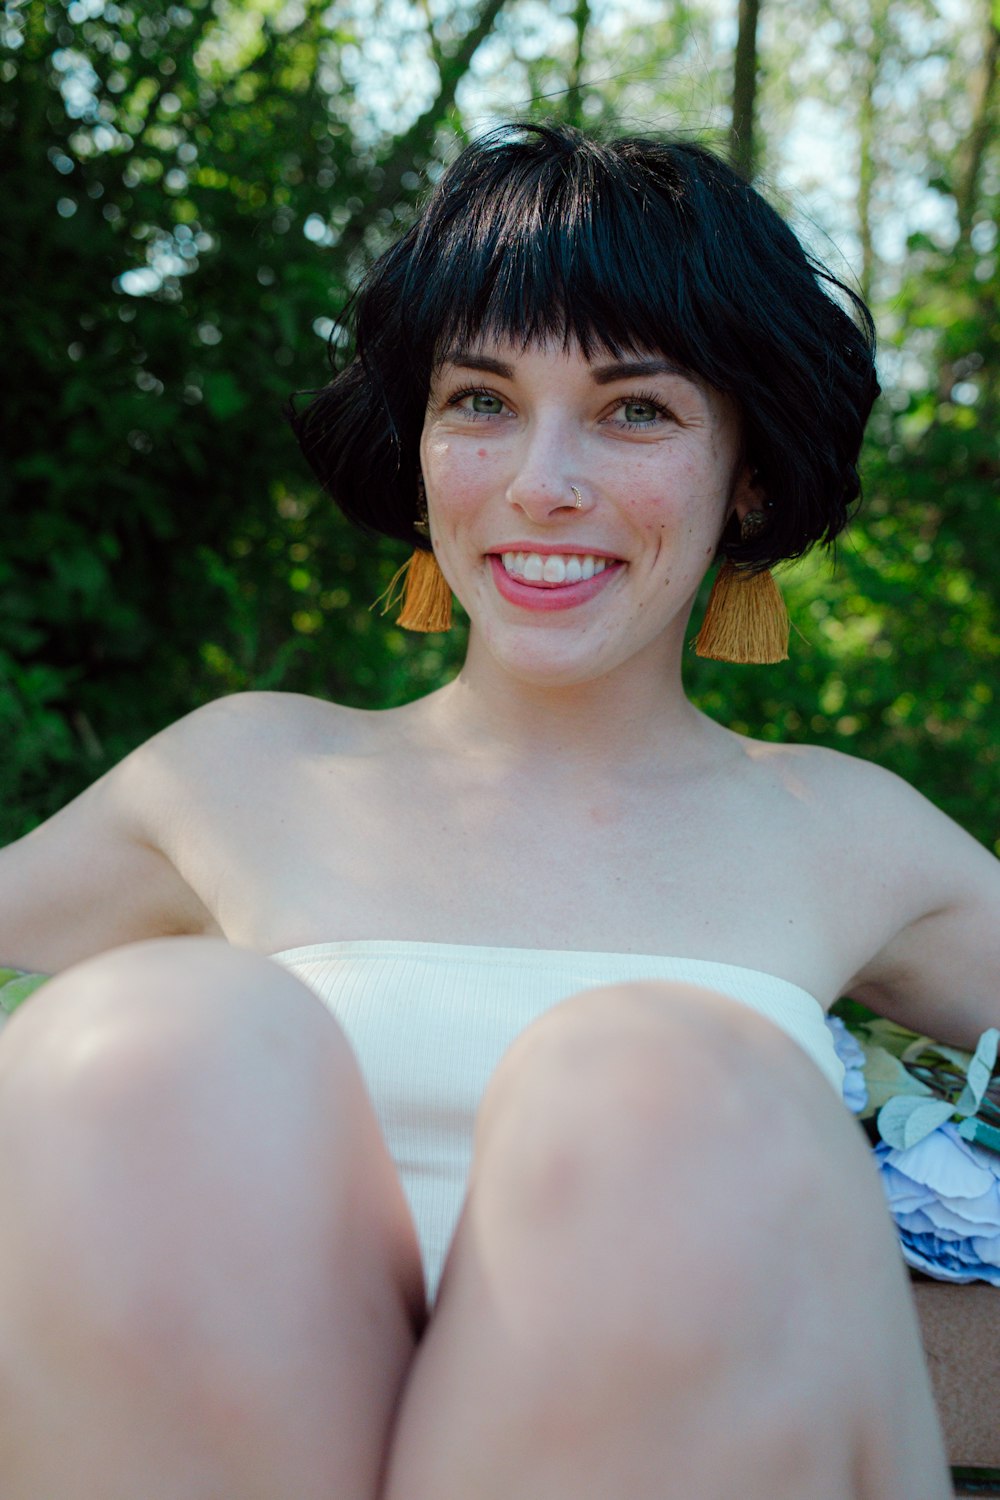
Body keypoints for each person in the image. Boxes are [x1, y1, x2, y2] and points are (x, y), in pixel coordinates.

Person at [0, 121, 994, 1500]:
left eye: (635, 410)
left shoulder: (850, 831)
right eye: (481, 401)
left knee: (655, 1088)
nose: (543, 483)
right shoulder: (240, 776)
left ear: (747, 469)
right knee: (158, 1034)